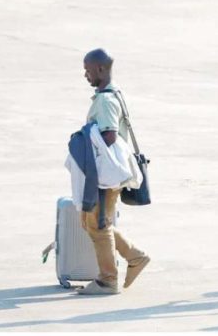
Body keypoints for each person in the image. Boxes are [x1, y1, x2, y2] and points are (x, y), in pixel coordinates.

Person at [77, 48, 150, 295]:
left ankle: (108, 280)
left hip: (106, 175)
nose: (85, 74)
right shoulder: (111, 94)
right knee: (93, 223)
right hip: (105, 173)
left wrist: (83, 138)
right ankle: (135, 256)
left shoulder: (106, 100)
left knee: (99, 225)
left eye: (88, 70)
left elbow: (108, 135)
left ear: (100, 69)